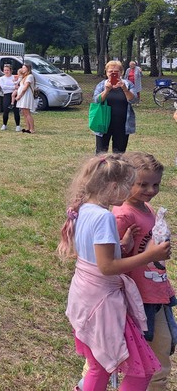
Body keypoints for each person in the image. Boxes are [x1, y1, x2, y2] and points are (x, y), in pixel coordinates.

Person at [60, 154, 169, 391]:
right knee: (141, 372)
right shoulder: (104, 217)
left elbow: (94, 255)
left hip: (85, 295)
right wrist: (151, 254)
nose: (129, 191)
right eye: (128, 185)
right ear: (112, 187)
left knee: (98, 366)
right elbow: (106, 267)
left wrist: (122, 246)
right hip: (103, 302)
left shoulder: (84, 208)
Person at [110, 152, 174, 391]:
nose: (150, 190)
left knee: (161, 351)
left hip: (157, 293)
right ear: (126, 181)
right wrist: (125, 246)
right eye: (143, 184)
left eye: (156, 184)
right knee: (123, 352)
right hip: (135, 299)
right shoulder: (122, 215)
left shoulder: (147, 208)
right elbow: (108, 259)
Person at [92, 60, 135, 153]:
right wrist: (106, 90)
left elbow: (133, 100)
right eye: (110, 71)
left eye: (116, 71)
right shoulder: (102, 85)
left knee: (119, 153)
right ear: (106, 72)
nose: (113, 73)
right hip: (104, 123)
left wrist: (125, 89)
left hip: (122, 124)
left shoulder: (128, 84)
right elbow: (96, 100)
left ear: (121, 72)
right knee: (101, 153)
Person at [0, 63, 20, 132]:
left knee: (16, 110)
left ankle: (18, 125)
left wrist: (15, 87)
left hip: (14, 94)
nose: (6, 71)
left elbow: (18, 84)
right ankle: (4, 124)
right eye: (5, 70)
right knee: (6, 110)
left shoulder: (14, 77)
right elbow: (3, 87)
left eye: (7, 70)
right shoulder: (2, 78)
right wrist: (13, 87)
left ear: (11, 70)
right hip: (6, 94)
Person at [15, 64, 37, 134]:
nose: (22, 69)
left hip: (26, 96)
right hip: (23, 96)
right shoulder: (24, 77)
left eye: (24, 68)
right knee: (24, 113)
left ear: (28, 69)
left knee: (27, 113)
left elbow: (25, 87)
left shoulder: (30, 76)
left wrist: (19, 95)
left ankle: (32, 129)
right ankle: (28, 127)